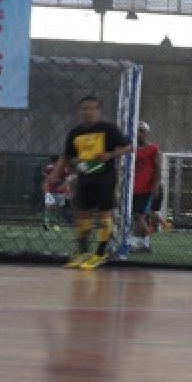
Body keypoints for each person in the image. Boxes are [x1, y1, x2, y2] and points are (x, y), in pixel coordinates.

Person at [48, 94, 134, 270]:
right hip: (84, 177)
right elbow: (67, 155)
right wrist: (55, 174)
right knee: (82, 215)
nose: (89, 112)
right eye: (85, 108)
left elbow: (128, 146)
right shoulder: (75, 133)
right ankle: (82, 252)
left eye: (93, 108)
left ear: (99, 111)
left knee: (105, 215)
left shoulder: (109, 129)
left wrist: (110, 155)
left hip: (105, 177)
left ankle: (100, 253)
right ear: (80, 111)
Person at [130, 121, 160, 253]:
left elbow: (158, 168)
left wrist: (156, 185)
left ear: (147, 133)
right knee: (136, 216)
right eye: (137, 130)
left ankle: (136, 243)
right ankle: (144, 244)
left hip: (146, 188)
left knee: (139, 215)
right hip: (132, 188)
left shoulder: (153, 149)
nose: (139, 133)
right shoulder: (131, 148)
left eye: (142, 131)